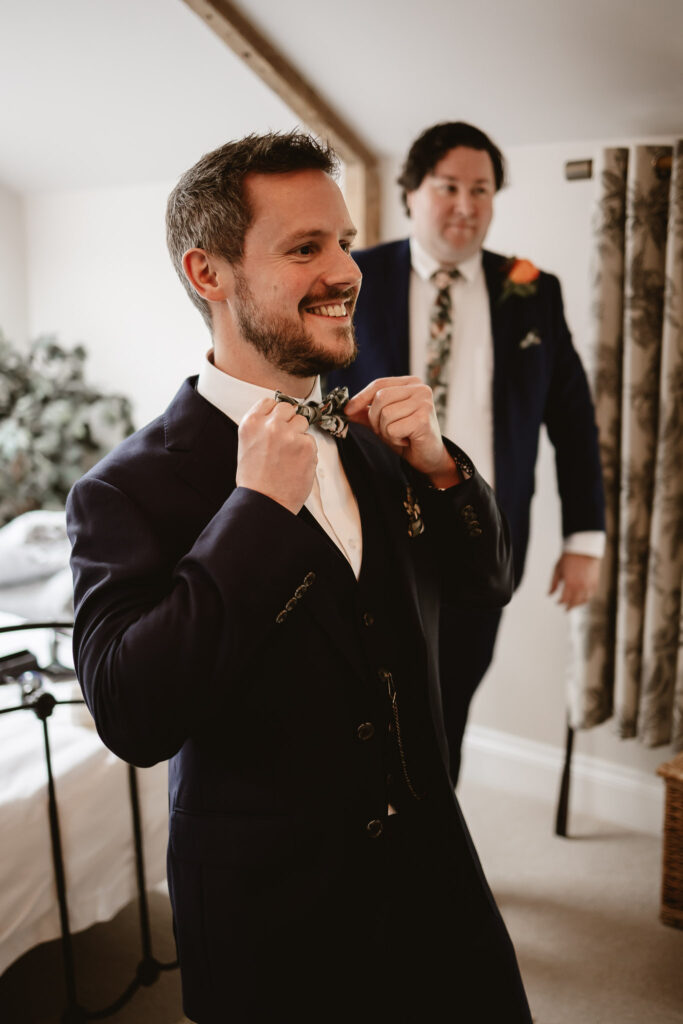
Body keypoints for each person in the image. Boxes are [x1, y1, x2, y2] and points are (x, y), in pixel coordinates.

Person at [66, 132, 532, 1023]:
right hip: (270, 928)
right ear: (208, 274)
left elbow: (485, 582)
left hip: (436, 883)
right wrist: (254, 515)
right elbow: (132, 712)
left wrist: (441, 471)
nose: (345, 270)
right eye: (305, 248)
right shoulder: (124, 489)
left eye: (345, 241)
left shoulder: (377, 438)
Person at [327, 121, 605, 783]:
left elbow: (572, 420)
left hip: (480, 530)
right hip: (366, 529)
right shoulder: (354, 278)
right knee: (363, 699)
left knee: (450, 699)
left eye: (480, 189)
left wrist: (584, 539)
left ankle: (433, 849)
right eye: (448, 186)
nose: (466, 204)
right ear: (411, 193)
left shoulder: (533, 291)